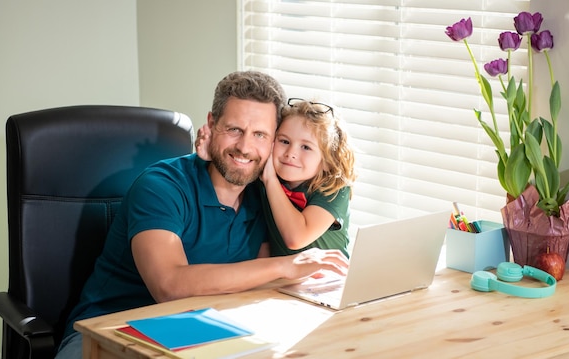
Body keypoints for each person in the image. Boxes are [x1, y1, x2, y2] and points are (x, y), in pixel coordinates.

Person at [55, 71, 349, 358]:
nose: (245, 147)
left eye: (260, 134)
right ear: (211, 123)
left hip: (202, 333)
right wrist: (286, 266)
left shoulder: (265, 198)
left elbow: (259, 283)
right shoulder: (160, 186)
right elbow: (168, 287)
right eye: (234, 129)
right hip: (107, 333)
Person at [196, 97, 357, 257]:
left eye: (306, 147)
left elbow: (296, 238)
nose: (291, 153)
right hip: (281, 278)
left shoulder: (335, 188)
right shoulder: (265, 174)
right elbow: (233, 177)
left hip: (330, 280)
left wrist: (270, 181)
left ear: (328, 161)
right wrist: (213, 156)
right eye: (284, 141)